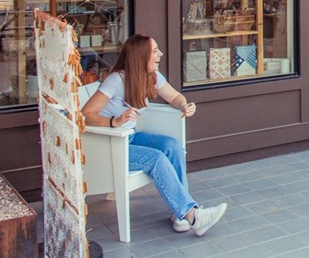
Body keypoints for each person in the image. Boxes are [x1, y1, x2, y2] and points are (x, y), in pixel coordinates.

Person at [80, 34, 228, 237]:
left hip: (129, 138)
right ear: (141, 57)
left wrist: (184, 105)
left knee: (172, 145)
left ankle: (180, 213)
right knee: (156, 158)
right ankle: (193, 216)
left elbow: (175, 96)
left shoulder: (152, 77)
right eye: (155, 51)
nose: (161, 54)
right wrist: (114, 121)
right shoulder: (116, 81)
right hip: (107, 146)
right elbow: (85, 114)